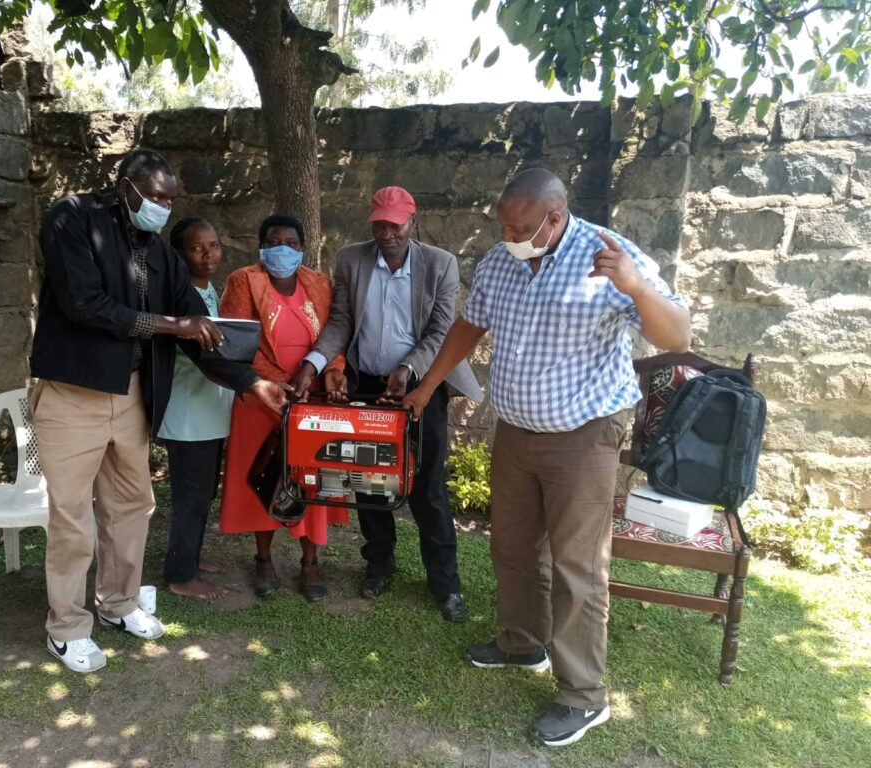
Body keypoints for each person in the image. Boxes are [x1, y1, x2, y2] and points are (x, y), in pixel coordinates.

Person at [402, 168, 691, 746]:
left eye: (521, 225)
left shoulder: (610, 255)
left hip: (584, 434)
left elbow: (677, 336)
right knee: (511, 544)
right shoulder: (501, 260)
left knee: (576, 566)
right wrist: (429, 384)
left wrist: (637, 287)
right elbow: (469, 325)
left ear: (555, 218)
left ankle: (584, 696)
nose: (508, 234)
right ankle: (520, 642)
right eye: (504, 223)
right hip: (514, 430)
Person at [30, 149, 287, 674]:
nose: (163, 209)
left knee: (131, 506)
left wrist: (252, 382)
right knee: (73, 517)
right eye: (156, 198)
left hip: (131, 395)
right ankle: (67, 627)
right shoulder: (72, 218)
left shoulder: (160, 255)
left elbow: (201, 334)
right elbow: (86, 304)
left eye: (170, 200)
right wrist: (174, 325)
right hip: (72, 393)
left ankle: (119, 603)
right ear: (125, 187)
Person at [290, 186, 483, 623]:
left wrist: (409, 371)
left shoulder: (440, 264)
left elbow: (439, 333)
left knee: (428, 487)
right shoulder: (351, 258)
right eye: (379, 223)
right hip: (365, 384)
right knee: (368, 480)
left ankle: (445, 583)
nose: (387, 232)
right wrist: (313, 363)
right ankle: (379, 564)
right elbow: (340, 321)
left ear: (411, 222)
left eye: (395, 224)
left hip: (420, 387)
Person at [219, 214, 349, 602]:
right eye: (274, 242)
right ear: (261, 247)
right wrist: (280, 384)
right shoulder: (244, 281)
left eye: (291, 243)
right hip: (261, 399)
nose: (283, 249)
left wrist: (333, 371)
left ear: (303, 248)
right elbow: (237, 342)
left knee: (312, 477)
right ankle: (263, 559)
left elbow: (333, 337)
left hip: (313, 401)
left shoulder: (320, 284)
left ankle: (310, 562)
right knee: (264, 476)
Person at [157, 218, 234, 601]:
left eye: (214, 245)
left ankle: (192, 557)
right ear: (179, 254)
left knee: (205, 493)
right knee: (191, 496)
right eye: (197, 248)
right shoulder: (179, 294)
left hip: (211, 411)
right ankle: (180, 574)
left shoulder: (209, 290)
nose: (208, 254)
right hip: (188, 415)